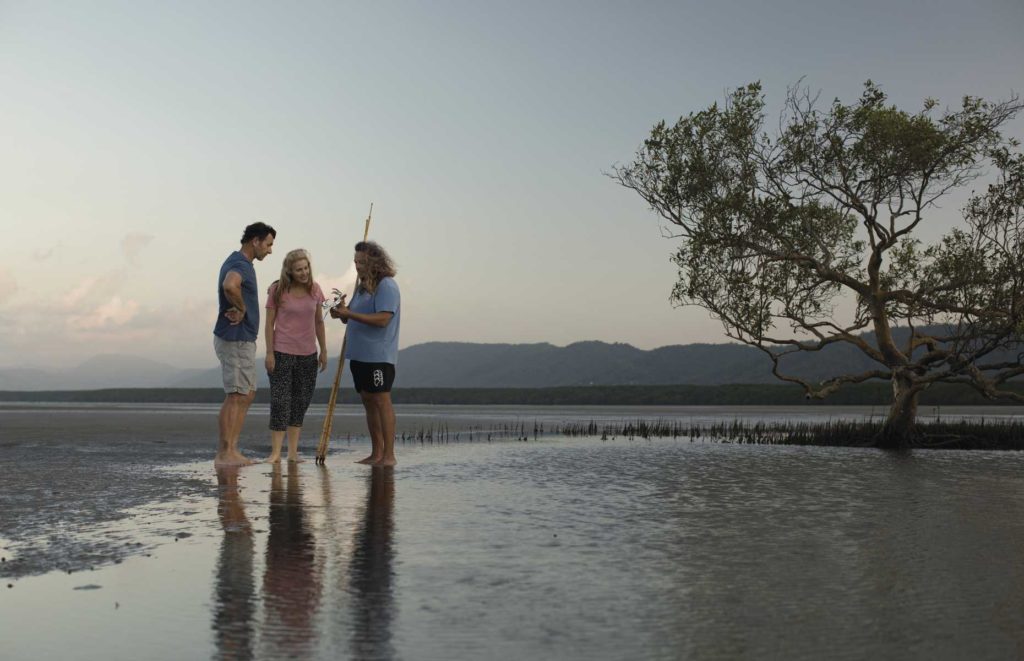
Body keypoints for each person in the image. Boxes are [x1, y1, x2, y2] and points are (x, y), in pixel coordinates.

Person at [330, 241, 400, 466]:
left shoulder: (386, 285)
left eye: (362, 262)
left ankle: (388, 455)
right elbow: (349, 316)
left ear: (374, 261)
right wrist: (341, 312)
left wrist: (350, 314)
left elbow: (383, 319)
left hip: (378, 355)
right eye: (356, 262)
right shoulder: (361, 287)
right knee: (368, 401)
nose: (358, 266)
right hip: (358, 354)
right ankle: (376, 453)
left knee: (381, 400)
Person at [213, 222, 275, 466]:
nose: (270, 251)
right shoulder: (239, 264)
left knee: (246, 393)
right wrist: (241, 307)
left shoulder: (241, 262)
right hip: (235, 338)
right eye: (268, 245)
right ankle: (225, 453)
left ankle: (232, 450)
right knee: (237, 395)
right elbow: (230, 285)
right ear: (255, 241)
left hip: (242, 339)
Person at [264, 248, 327, 463]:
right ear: (289, 271)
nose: (304, 272)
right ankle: (275, 453)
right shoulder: (277, 290)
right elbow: (269, 324)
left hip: (308, 354)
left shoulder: (315, 290)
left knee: (300, 402)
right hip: (282, 352)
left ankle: (292, 453)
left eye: (306, 268)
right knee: (281, 401)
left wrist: (324, 350)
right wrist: (269, 352)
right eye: (299, 269)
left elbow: (319, 322)